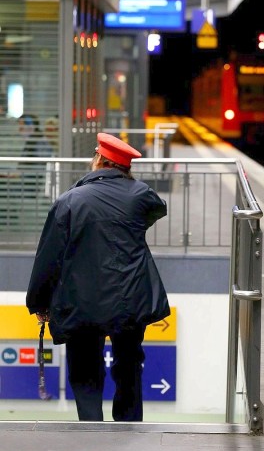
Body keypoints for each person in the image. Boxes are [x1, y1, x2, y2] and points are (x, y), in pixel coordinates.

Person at [26, 133, 170, 422]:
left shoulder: (69, 201)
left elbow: (49, 257)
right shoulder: (141, 196)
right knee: (128, 364)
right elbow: (157, 209)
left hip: (82, 302)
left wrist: (39, 303)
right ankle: (129, 425)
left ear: (99, 161)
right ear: (125, 168)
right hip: (131, 300)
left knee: (85, 368)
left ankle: (91, 427)